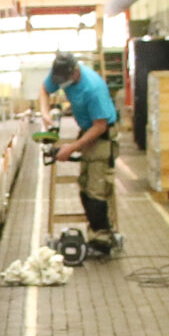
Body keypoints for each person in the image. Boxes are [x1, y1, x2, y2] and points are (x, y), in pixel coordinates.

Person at [43, 50, 122, 253]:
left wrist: (71, 148)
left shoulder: (93, 88)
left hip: (101, 136)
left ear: (75, 72)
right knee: (85, 186)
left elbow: (100, 126)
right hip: (87, 131)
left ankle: (102, 240)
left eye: (64, 81)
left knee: (97, 189)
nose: (61, 86)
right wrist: (45, 115)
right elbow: (44, 90)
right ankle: (98, 235)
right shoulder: (61, 77)